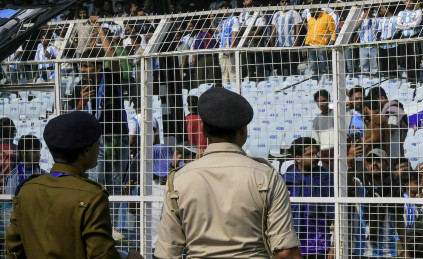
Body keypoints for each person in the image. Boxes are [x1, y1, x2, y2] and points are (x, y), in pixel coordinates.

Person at [153, 87, 303, 258]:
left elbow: (167, 252)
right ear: (244, 131)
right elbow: (287, 252)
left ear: (202, 129)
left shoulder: (178, 180)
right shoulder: (267, 177)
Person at [6, 111, 136, 258]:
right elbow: (102, 255)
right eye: (97, 142)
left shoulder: (27, 190)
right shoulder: (92, 196)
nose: (99, 146)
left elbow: (14, 248)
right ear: (86, 150)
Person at [283, 137, 334, 259]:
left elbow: (336, 212)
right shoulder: (286, 179)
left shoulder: (326, 178)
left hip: (319, 246)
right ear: (298, 158)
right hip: (291, 246)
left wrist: (335, 245)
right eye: (310, 154)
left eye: (316, 153)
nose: (316, 157)